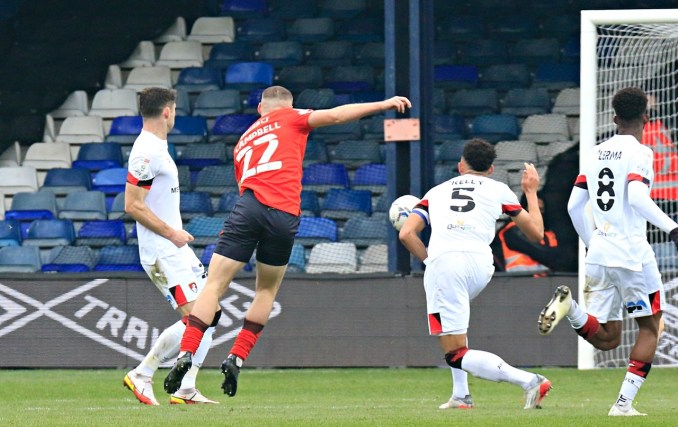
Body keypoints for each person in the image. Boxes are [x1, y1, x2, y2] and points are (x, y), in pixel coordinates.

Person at [163, 86, 412, 396]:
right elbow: (335, 115)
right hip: (284, 214)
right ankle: (237, 357)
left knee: (214, 285)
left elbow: (243, 184)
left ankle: (186, 353)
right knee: (266, 289)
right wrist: (384, 103)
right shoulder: (293, 117)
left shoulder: (242, 142)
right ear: (290, 106)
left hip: (249, 206)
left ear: (259, 109)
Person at [538, 87, 677, 416]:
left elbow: (574, 206)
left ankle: (570, 307)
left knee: (607, 338)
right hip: (632, 254)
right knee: (650, 326)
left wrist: (592, 242)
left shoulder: (595, 152)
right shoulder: (641, 152)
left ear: (614, 118)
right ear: (646, 117)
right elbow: (639, 199)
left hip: (598, 253)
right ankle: (623, 405)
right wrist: (673, 228)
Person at [398, 138, 552, 410]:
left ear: (460, 165)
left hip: (446, 263)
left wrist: (428, 260)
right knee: (455, 329)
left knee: (454, 352)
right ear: (491, 169)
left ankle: (530, 381)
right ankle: (460, 395)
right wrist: (530, 191)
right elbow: (537, 234)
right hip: (481, 264)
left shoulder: (435, 192)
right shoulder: (500, 189)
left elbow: (407, 233)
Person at [123, 87, 221, 405]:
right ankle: (143, 373)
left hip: (174, 247)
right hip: (163, 250)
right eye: (175, 109)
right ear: (167, 111)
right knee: (198, 318)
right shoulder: (146, 152)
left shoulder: (157, 148)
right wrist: (171, 233)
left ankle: (186, 387)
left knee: (211, 313)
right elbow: (133, 205)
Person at [496, 192, 558, 275]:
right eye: (533, 210)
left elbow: (557, 259)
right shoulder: (512, 231)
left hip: (545, 283)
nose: (538, 215)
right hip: (520, 282)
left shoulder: (549, 235)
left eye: (541, 210)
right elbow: (544, 254)